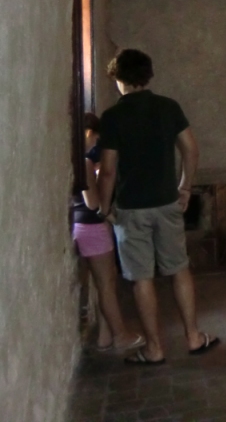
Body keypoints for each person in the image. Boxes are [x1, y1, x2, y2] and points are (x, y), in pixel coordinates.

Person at [97, 49, 220, 365]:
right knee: (179, 269)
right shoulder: (168, 107)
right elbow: (191, 150)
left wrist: (104, 206)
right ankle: (193, 337)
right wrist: (185, 187)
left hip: (131, 208)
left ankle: (154, 349)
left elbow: (108, 170)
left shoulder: (113, 117)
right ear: (148, 75)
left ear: (118, 78)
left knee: (141, 278)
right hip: (166, 202)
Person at [71, 113, 144, 353]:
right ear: (90, 133)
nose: (97, 143)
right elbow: (92, 203)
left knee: (107, 282)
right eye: (97, 137)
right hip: (91, 227)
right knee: (106, 284)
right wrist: (101, 177)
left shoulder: (77, 158)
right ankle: (120, 335)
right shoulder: (84, 161)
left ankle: (105, 336)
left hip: (84, 226)